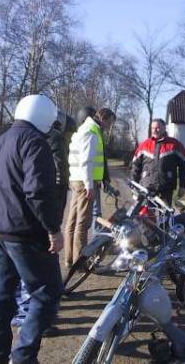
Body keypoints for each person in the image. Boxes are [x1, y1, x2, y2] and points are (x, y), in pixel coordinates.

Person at [0, 94, 64, 364]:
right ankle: (23, 357)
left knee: (1, 301)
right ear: (45, 118)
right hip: (25, 233)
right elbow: (38, 192)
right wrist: (53, 228)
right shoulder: (35, 142)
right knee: (47, 293)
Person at [10, 112, 76, 333]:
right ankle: (31, 320)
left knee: (22, 268)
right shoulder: (52, 138)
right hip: (38, 214)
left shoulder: (13, 136)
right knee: (37, 271)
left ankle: (22, 313)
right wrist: (52, 220)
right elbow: (55, 177)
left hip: (13, 215)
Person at [65, 107, 116, 268]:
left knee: (72, 221)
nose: (110, 127)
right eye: (110, 123)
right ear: (104, 119)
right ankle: (80, 261)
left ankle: (69, 259)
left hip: (76, 179)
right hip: (84, 182)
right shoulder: (92, 133)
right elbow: (86, 161)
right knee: (83, 223)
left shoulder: (83, 130)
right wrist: (90, 186)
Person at [131, 118, 185, 206]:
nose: (155, 130)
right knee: (145, 217)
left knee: (165, 216)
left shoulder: (174, 145)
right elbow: (135, 166)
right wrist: (134, 186)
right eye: (153, 128)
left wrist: (183, 186)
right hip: (146, 188)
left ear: (164, 128)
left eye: (158, 127)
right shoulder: (144, 145)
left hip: (166, 188)